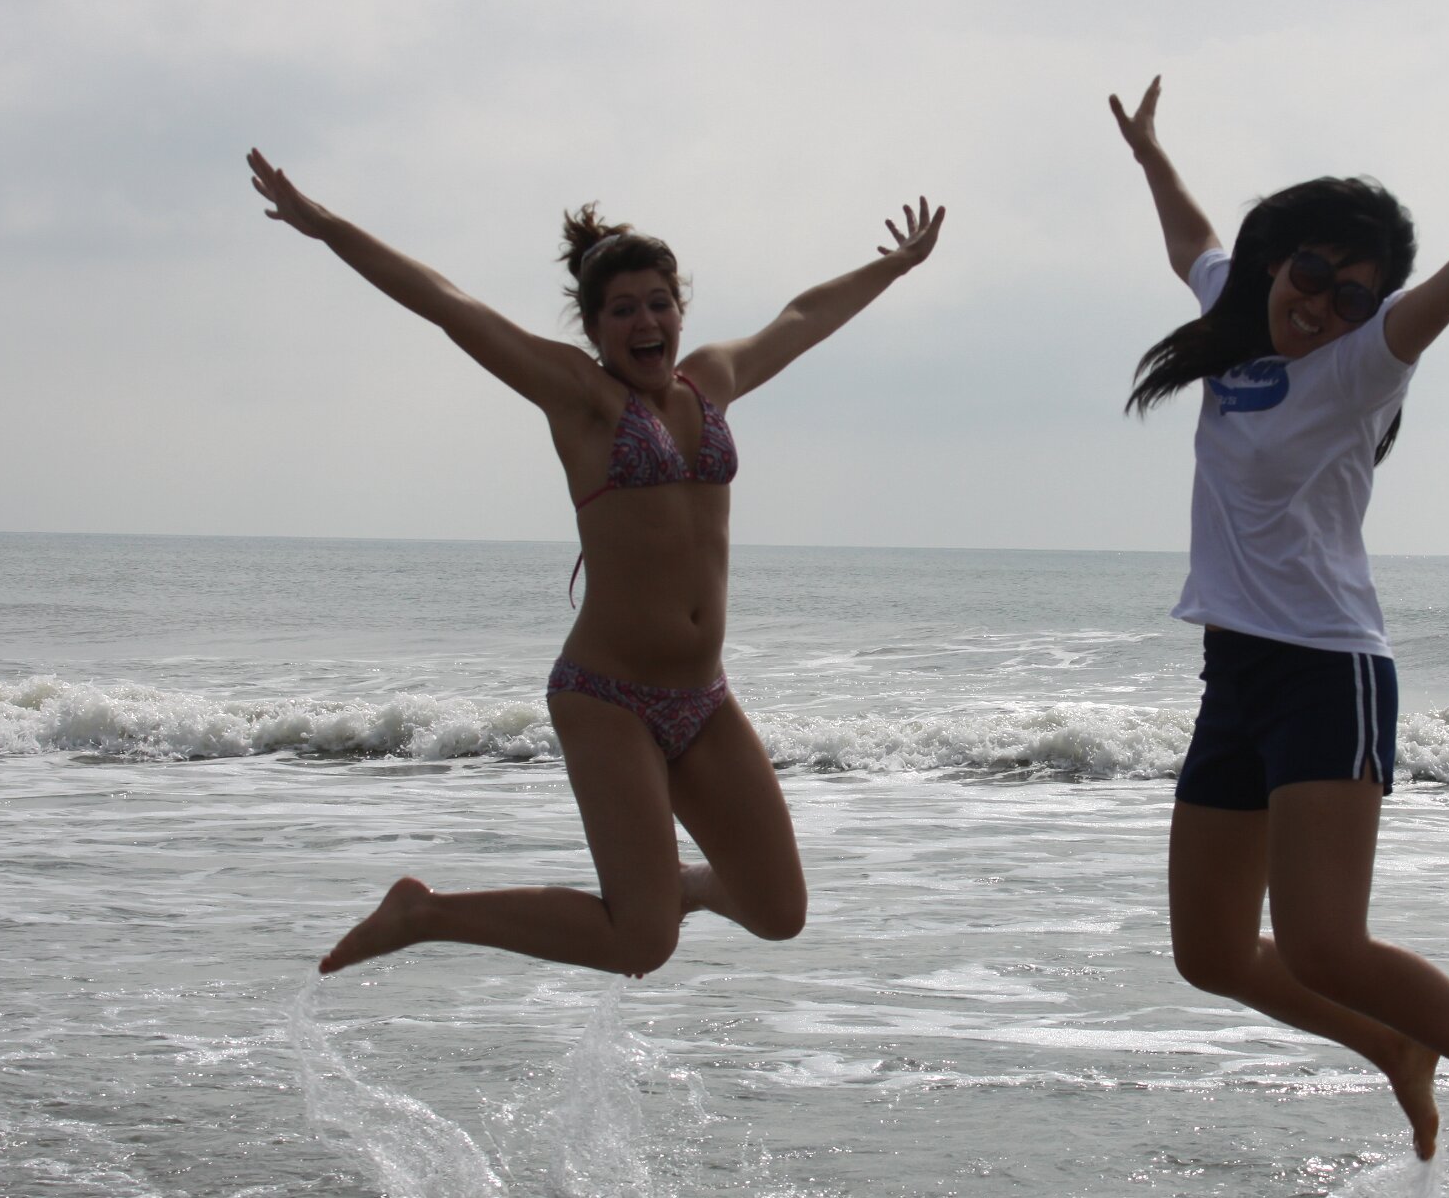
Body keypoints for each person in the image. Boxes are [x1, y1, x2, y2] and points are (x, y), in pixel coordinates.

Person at [1108, 76, 1449, 1198]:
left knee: (1325, 944)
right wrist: (1152, 155)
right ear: (1279, 262)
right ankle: (1395, 1048)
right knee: (1211, 955)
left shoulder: (1361, 366)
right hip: (1235, 670)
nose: (1323, 304)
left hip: (1329, 670)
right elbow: (1193, 242)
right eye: (1313, 274)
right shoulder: (1234, 317)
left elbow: (1442, 297)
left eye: (1353, 294)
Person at [244, 149, 945, 979]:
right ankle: (423, 913)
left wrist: (893, 267)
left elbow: (801, 316)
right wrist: (323, 225)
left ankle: (676, 887)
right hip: (607, 697)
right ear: (594, 328)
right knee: (641, 943)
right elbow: (446, 304)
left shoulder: (711, 382)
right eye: (622, 310)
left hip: (703, 699)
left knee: (778, 912)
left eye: (659, 303)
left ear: (680, 309)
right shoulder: (579, 397)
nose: (645, 322)